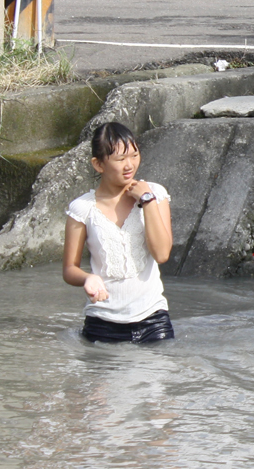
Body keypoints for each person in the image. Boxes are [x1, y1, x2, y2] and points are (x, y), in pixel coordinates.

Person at [62, 122, 175, 343]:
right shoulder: (82, 208)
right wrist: (88, 278)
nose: (129, 165)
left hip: (154, 320)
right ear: (98, 164)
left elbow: (162, 254)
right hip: (101, 324)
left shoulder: (155, 193)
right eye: (120, 159)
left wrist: (147, 200)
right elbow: (69, 269)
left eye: (134, 155)